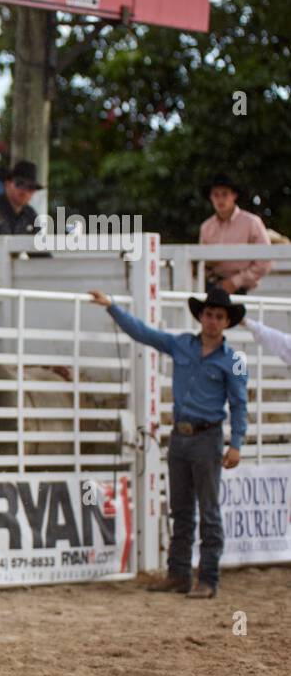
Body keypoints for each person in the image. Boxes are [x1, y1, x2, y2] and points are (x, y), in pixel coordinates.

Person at [89, 287, 246, 598]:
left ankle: (207, 578)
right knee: (181, 508)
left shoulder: (232, 360)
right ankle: (179, 574)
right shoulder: (182, 345)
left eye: (218, 316)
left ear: (226, 322)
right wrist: (113, 307)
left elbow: (239, 404)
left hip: (207, 436)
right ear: (201, 317)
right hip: (182, 436)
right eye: (209, 315)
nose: (212, 321)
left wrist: (236, 442)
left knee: (208, 510)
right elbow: (144, 333)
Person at [200, 172, 271, 294]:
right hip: (213, 286)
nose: (220, 199)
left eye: (224, 194)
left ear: (234, 195)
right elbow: (201, 262)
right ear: (211, 198)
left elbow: (265, 261)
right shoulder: (207, 226)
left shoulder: (251, 222)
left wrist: (236, 281)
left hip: (244, 288)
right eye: (216, 195)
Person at [0, 159, 40, 236]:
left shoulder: (32, 216)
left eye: (31, 187)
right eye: (20, 184)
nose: (25, 191)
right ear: (7, 184)